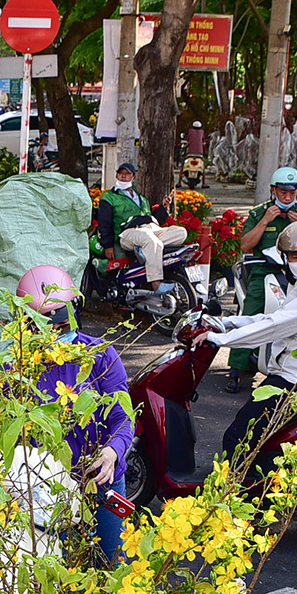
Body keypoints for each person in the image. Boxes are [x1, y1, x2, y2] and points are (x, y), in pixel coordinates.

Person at [196, 221, 297, 461]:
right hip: (290, 374)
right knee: (251, 436)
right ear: (286, 259)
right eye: (296, 257)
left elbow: (275, 327)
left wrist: (219, 339)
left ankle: (241, 492)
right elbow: (274, 317)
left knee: (239, 439)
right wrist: (230, 322)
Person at [16, 265, 135, 565]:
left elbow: (124, 417)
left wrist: (112, 452)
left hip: (103, 479)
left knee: (113, 564)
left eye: (60, 322)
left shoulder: (100, 355)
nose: (56, 334)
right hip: (51, 490)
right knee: (61, 567)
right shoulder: (18, 369)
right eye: (44, 326)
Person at [226, 166, 297, 393]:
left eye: (292, 193)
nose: (287, 197)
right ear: (273, 190)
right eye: (283, 192)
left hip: (295, 275)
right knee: (250, 314)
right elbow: (246, 245)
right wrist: (265, 221)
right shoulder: (259, 213)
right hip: (263, 272)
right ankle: (235, 370)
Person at [95, 161, 186, 291]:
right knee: (150, 240)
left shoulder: (141, 198)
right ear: (117, 176)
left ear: (133, 177)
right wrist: (108, 245)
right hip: (128, 232)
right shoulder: (109, 196)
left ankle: (146, 249)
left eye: (127, 174)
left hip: (150, 228)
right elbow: (104, 222)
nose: (124, 176)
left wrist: (164, 207)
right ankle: (156, 283)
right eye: (121, 173)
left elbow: (152, 218)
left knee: (180, 232)